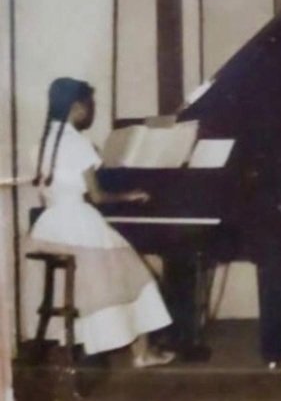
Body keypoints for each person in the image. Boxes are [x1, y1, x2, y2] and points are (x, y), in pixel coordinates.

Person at [27, 78, 175, 367]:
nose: (90, 112)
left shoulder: (42, 143)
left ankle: (107, 344)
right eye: (89, 105)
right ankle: (142, 354)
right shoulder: (79, 143)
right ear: (76, 107)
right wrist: (130, 195)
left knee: (110, 281)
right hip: (79, 224)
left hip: (50, 225)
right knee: (140, 276)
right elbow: (97, 196)